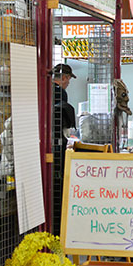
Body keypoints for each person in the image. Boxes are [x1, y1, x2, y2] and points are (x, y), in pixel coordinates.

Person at [51, 63, 76, 236]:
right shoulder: (61, 92)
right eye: (68, 80)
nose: (68, 83)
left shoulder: (46, 88)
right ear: (65, 77)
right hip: (57, 145)